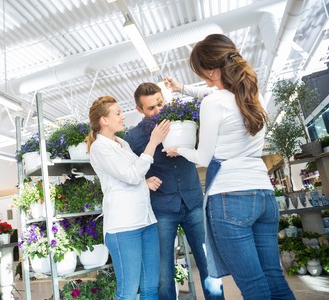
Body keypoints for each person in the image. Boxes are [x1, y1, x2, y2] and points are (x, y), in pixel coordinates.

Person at [163, 33, 295, 299]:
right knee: (274, 280)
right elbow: (213, 92)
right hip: (263, 194)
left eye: (200, 71)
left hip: (230, 198)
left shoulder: (214, 102)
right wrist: (182, 88)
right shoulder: (251, 94)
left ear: (210, 69)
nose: (200, 77)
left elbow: (202, 157)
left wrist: (179, 149)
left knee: (254, 286)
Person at [124, 82, 224, 300]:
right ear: (139, 110)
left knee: (209, 264)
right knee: (163, 272)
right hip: (161, 210)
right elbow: (126, 173)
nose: (158, 110)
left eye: (160, 104)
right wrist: (144, 179)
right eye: (151, 108)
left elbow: (213, 98)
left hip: (193, 203)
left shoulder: (185, 120)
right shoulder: (133, 138)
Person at [86, 95, 169, 299]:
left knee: (151, 287)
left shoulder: (121, 142)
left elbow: (133, 173)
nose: (123, 116)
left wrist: (145, 182)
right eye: (118, 113)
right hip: (123, 228)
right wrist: (153, 142)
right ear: (104, 120)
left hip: (145, 221)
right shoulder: (99, 147)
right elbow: (131, 175)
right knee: (128, 292)